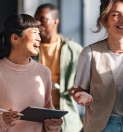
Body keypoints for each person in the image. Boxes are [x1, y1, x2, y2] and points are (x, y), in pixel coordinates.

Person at [70, 0, 123, 131]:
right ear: (105, 21)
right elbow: (78, 91)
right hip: (101, 126)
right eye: (116, 15)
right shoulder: (89, 54)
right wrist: (82, 96)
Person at [0, 14, 63, 132]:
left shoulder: (43, 73)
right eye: (34, 32)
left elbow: (48, 119)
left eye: (39, 33)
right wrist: (0, 120)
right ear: (15, 38)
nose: (39, 38)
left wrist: (53, 125)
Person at [33, 3, 83, 132]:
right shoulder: (29, 50)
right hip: (35, 120)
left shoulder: (75, 51)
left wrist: (81, 89)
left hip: (67, 122)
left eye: (42, 19)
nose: (37, 23)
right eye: (35, 19)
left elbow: (91, 82)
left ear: (56, 21)